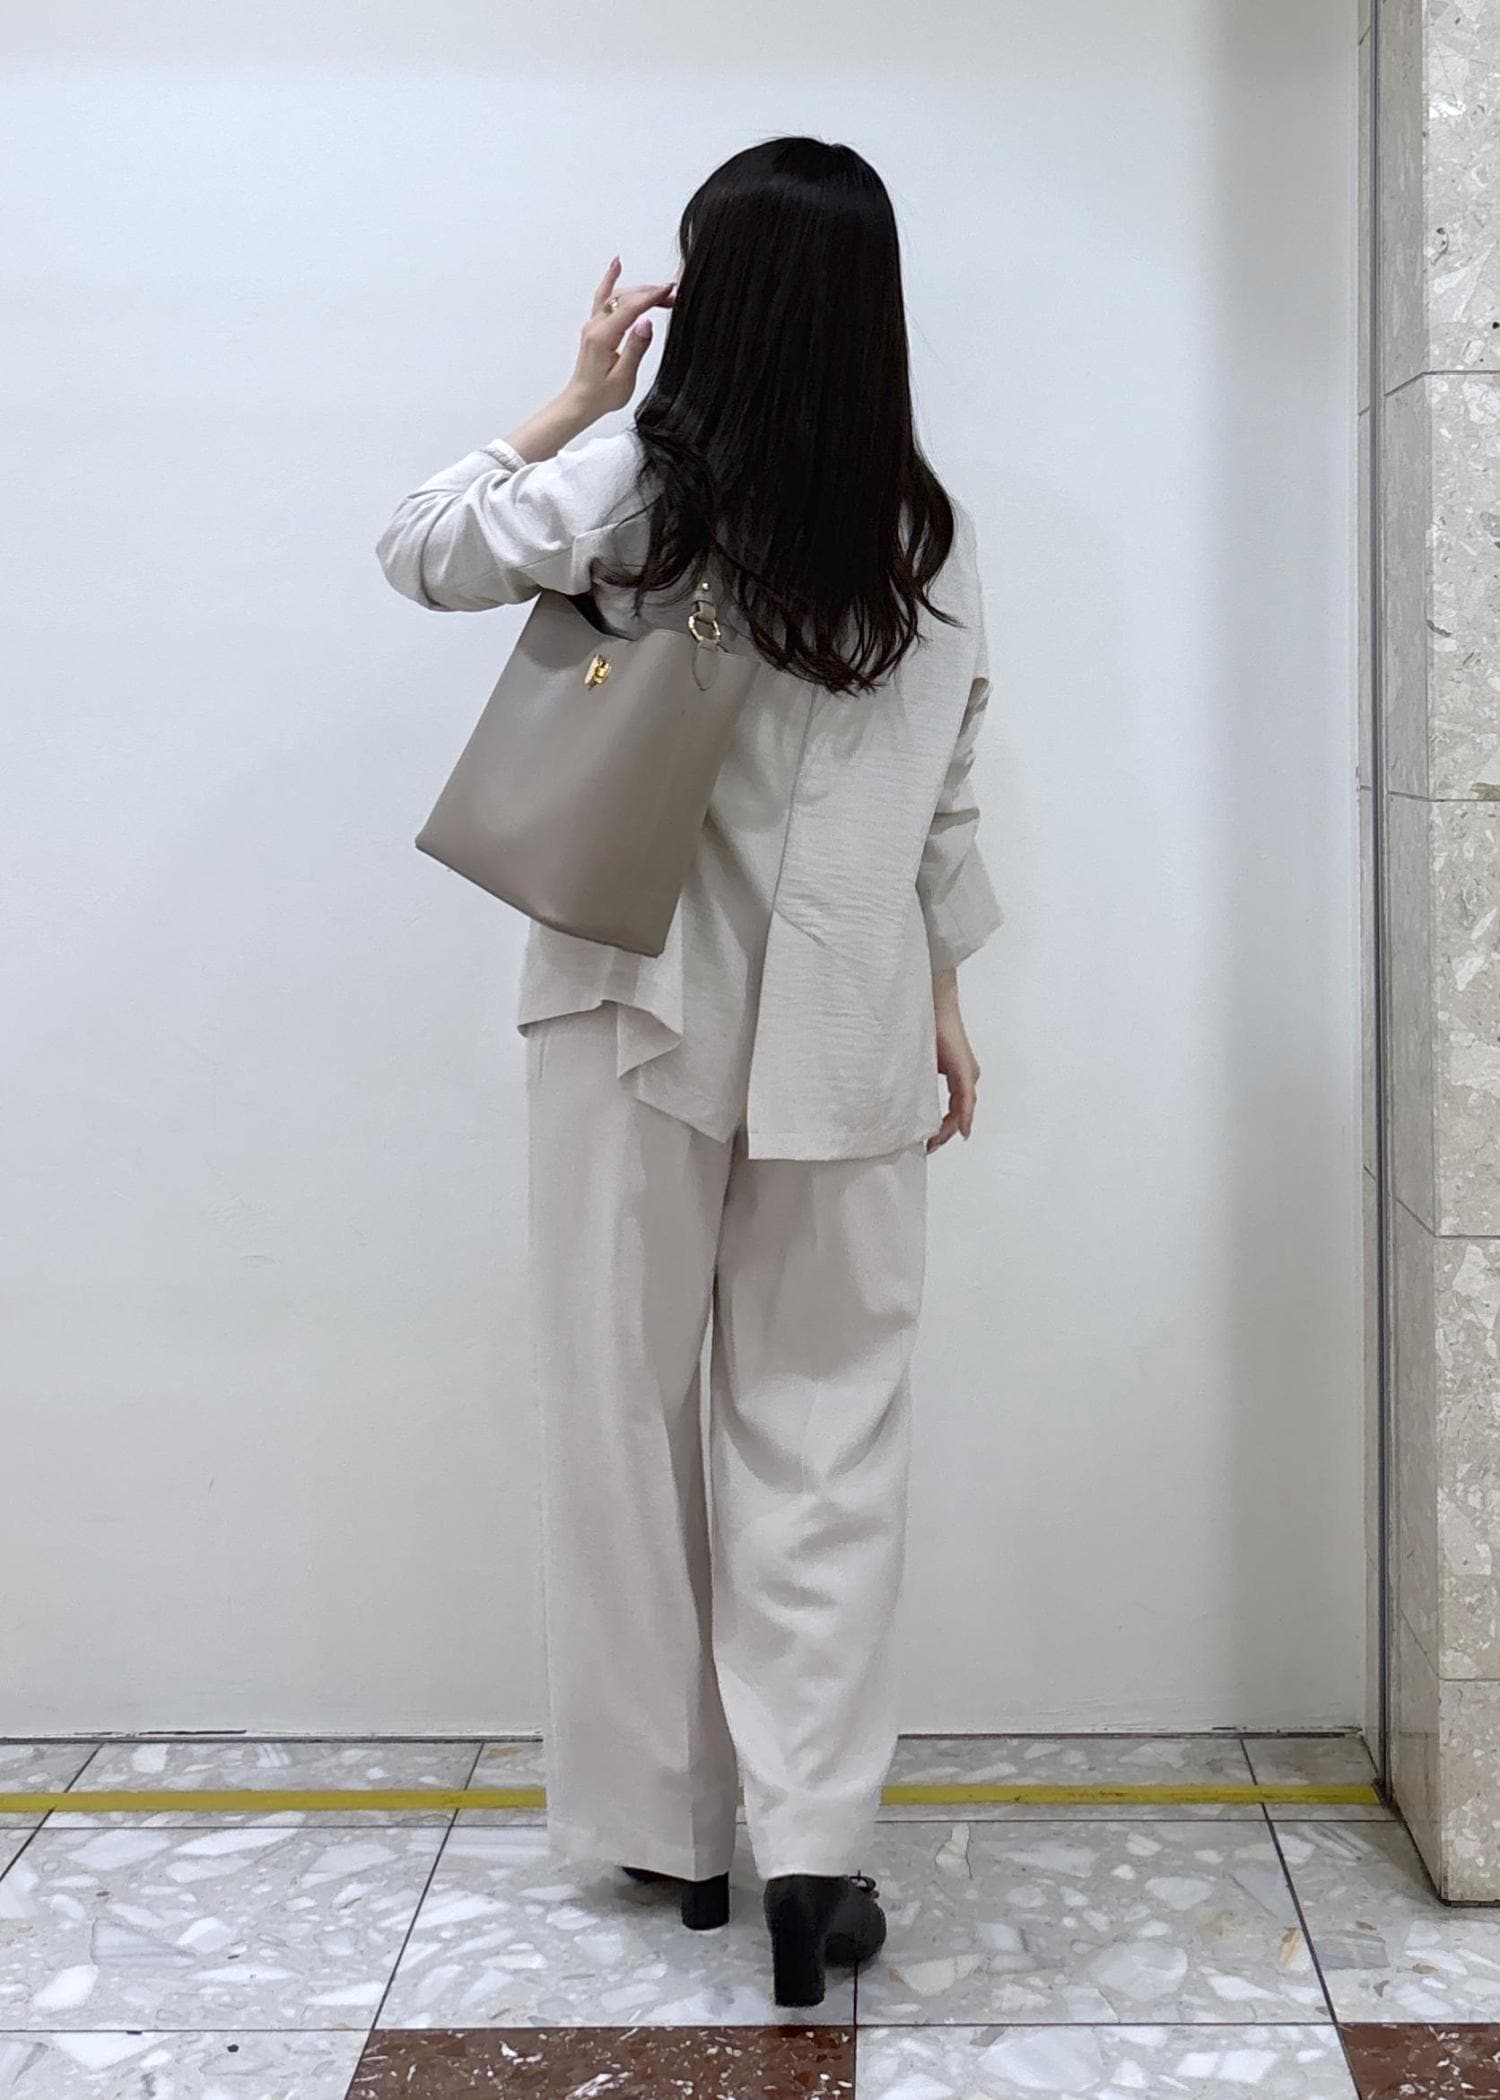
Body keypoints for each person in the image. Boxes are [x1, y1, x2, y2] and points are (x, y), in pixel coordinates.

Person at [375, 135, 1003, 2010]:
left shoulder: (640, 485)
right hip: (847, 1025)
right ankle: (814, 1851)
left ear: (711, 294)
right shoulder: (925, 537)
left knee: (622, 1419)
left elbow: (421, 546)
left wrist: (579, 392)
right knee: (829, 1432)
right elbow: (947, 795)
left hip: (628, 1015)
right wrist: (944, 997)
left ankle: (673, 1826)